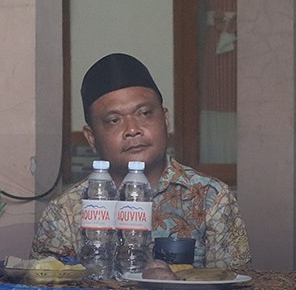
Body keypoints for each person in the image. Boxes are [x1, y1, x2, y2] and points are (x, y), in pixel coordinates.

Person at [32, 52, 250, 268]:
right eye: (114, 120)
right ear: (91, 138)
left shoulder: (211, 198)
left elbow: (235, 287)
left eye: (145, 113)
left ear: (165, 120)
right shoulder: (65, 211)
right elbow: (44, 288)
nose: (133, 129)